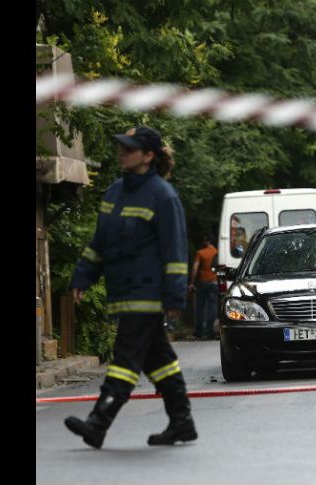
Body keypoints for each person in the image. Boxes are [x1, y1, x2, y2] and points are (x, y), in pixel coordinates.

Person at [64, 126, 197, 449]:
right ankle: (182, 422)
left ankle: (98, 423)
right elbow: (100, 243)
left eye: (129, 148)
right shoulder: (114, 192)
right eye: (121, 147)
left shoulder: (163, 196)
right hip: (123, 292)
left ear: (148, 156)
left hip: (147, 294)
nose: (122, 152)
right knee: (157, 359)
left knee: (125, 359)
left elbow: (175, 252)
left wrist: (175, 296)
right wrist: (83, 276)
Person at [189, 235, 219, 339]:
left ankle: (199, 331)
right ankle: (209, 331)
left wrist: (192, 283)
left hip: (202, 282)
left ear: (206, 241)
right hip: (214, 282)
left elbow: (194, 269)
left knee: (200, 307)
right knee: (213, 307)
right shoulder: (217, 252)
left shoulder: (200, 253)